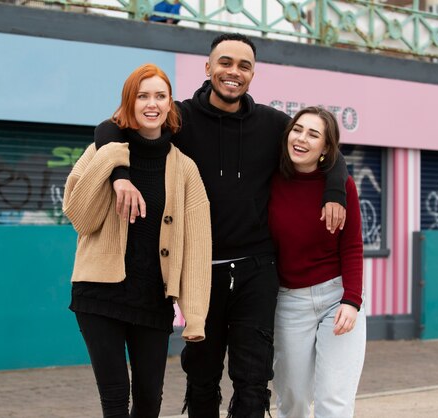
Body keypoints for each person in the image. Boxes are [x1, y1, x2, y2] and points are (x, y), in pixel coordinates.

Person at [95, 33, 349, 417]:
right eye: (225, 62)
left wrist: (335, 191)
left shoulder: (273, 124)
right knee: (201, 377)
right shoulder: (179, 118)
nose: (234, 72)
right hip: (200, 271)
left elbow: (325, 146)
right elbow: (111, 129)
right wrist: (119, 175)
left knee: (253, 378)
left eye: (244, 66)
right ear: (208, 67)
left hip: (257, 270)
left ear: (253, 73)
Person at [62, 63, 212, 418]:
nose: (151, 103)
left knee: (149, 402)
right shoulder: (102, 149)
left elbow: (197, 245)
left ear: (170, 103)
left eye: (160, 96)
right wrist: (115, 172)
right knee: (115, 400)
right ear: (128, 103)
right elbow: (80, 217)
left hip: (152, 299)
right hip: (99, 294)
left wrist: (194, 315)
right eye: (142, 95)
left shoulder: (185, 168)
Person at [268, 107, 366, 418]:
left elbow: (352, 246)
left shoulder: (341, 187)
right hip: (289, 301)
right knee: (293, 400)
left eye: (313, 134)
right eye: (297, 130)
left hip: (336, 299)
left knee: (333, 402)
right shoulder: (270, 180)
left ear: (325, 148)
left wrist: (352, 300)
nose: (301, 138)